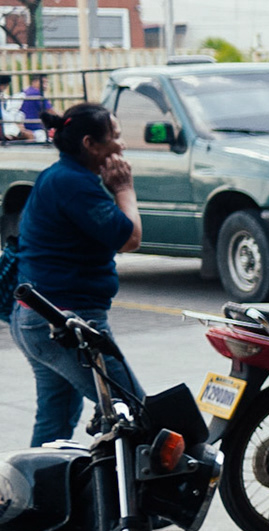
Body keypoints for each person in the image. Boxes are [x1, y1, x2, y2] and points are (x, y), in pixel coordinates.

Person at [10, 104, 144, 446]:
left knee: (55, 422)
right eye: (114, 136)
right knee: (135, 412)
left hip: (39, 320)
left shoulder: (60, 177)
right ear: (90, 144)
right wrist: (125, 188)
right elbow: (130, 237)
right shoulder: (73, 184)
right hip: (66, 323)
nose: (122, 145)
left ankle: (40, 498)